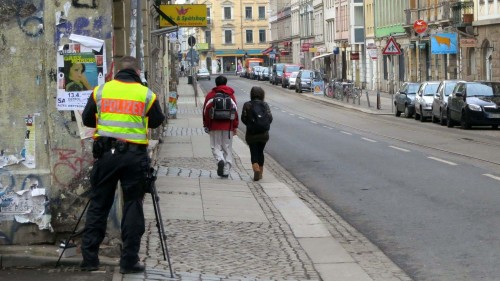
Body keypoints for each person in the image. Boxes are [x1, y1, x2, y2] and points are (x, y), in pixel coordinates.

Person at [80, 56, 165, 274]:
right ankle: (129, 261)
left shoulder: (101, 91)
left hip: (106, 155)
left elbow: (88, 119)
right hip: (134, 157)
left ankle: (89, 259)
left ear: (116, 72)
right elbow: (156, 120)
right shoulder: (146, 94)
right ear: (138, 72)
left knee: (99, 205)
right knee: (133, 206)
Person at [203, 75, 239, 178]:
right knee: (227, 147)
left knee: (215, 146)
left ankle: (220, 160)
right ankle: (226, 170)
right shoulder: (231, 95)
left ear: (216, 83)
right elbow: (235, 111)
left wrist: (206, 124)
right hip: (228, 126)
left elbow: (206, 111)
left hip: (214, 125)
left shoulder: (211, 95)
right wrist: (235, 126)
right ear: (226, 83)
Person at [241, 86, 273, 181]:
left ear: (251, 94)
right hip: (263, 134)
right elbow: (270, 118)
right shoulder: (265, 105)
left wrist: (250, 124)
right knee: (260, 152)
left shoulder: (247, 105)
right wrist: (263, 125)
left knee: (253, 151)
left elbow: (243, 118)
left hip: (252, 133)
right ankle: (261, 172)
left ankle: (256, 168)